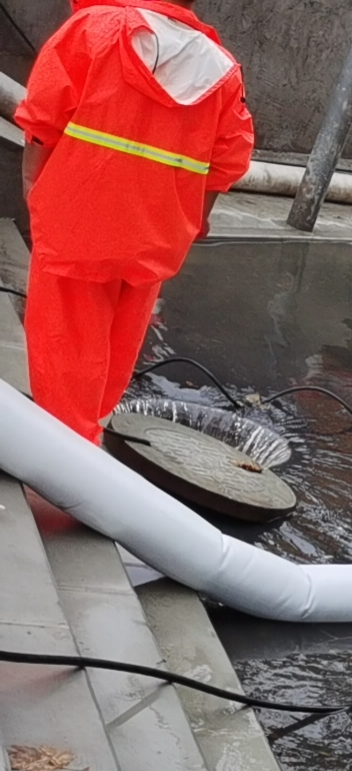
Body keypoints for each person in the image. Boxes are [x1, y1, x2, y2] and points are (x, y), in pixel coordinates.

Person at [15, 0, 255, 443]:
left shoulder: (95, 29)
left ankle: (64, 465)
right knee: (115, 348)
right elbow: (227, 160)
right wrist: (192, 224)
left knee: (65, 354)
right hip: (154, 236)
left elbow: (44, 113)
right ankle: (89, 431)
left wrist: (34, 185)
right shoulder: (221, 70)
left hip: (77, 224)